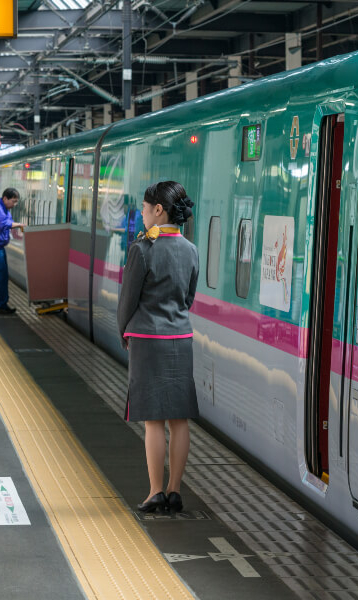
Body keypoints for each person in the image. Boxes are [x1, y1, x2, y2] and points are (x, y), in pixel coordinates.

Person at [117, 181, 199, 513]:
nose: (142, 214)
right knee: (179, 419)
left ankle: (154, 492)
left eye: (145, 209)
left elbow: (127, 301)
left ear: (159, 210)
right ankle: (175, 490)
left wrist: (125, 332)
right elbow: (189, 298)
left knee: (153, 420)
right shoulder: (190, 249)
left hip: (148, 342)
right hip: (180, 339)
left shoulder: (142, 249)